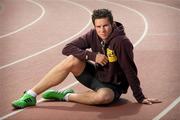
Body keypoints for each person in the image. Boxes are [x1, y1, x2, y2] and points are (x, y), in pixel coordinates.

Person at [12, 9, 161, 109]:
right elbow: (67, 48)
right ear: (94, 26)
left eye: (106, 26)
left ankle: (66, 96)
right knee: (72, 59)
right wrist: (92, 56)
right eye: (98, 27)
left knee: (104, 97)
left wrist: (140, 97)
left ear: (112, 24)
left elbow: (129, 69)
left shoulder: (121, 42)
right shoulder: (93, 34)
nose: (102, 30)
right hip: (96, 76)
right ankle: (31, 95)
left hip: (112, 86)